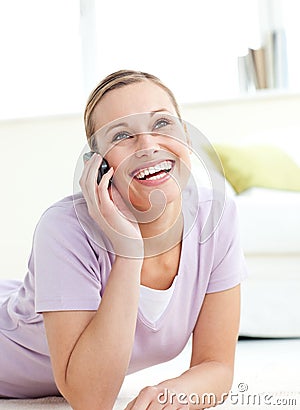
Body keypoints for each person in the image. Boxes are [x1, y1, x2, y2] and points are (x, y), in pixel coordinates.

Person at [0, 70, 247, 409]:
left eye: (162, 124)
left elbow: (216, 365)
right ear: (98, 166)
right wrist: (129, 251)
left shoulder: (215, 218)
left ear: (186, 137)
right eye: (121, 135)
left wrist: (171, 395)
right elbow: (90, 398)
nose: (147, 146)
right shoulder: (64, 229)